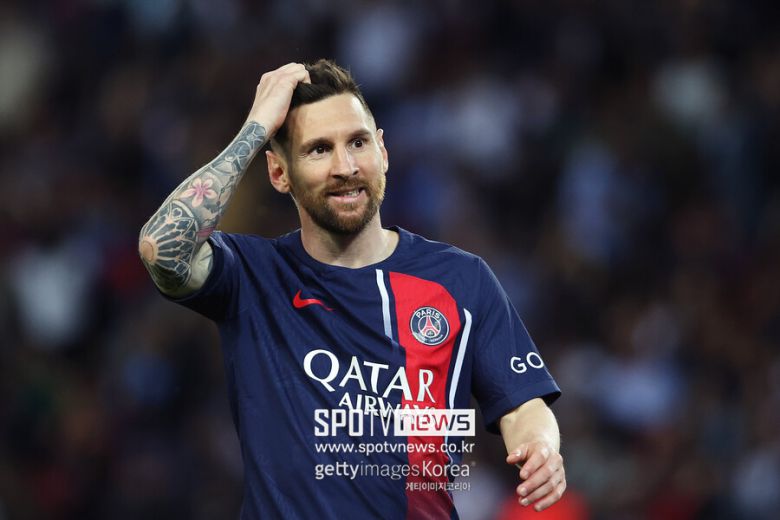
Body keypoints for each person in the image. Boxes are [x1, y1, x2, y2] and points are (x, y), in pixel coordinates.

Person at [138, 60, 565, 519]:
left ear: (383, 151)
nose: (345, 167)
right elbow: (161, 249)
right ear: (279, 173)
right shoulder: (253, 276)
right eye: (319, 150)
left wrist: (540, 445)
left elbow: (523, 404)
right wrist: (256, 128)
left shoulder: (460, 279)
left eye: (358, 143)